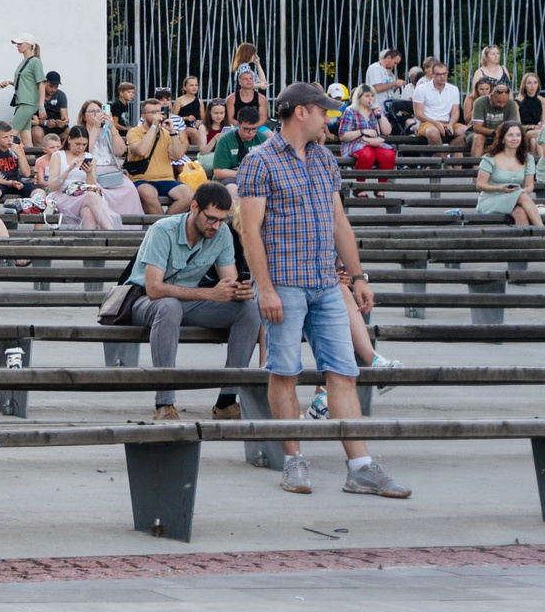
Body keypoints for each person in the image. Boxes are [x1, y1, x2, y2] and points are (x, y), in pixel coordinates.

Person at [237, 82, 407, 498]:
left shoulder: (324, 160)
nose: (330, 118)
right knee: (284, 372)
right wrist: (265, 289)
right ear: (301, 112)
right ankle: (293, 461)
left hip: (327, 284)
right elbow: (250, 234)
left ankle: (361, 466)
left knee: (344, 372)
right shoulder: (259, 161)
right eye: (324, 111)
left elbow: (339, 224)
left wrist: (360, 276)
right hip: (285, 284)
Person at [128, 183, 257, 421]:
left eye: (222, 220)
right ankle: (164, 404)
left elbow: (228, 281)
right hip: (145, 302)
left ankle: (227, 401)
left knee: (248, 310)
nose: (216, 226)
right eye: (211, 219)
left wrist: (241, 290)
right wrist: (210, 294)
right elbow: (154, 289)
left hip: (187, 302)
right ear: (194, 207)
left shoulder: (222, 233)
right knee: (169, 305)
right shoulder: (162, 230)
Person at [476, 122, 544, 226]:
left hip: (515, 197)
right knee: (522, 196)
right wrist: (500, 189)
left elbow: (530, 186)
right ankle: (543, 231)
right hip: (491, 199)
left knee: (520, 212)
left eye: (518, 135)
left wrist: (517, 193)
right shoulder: (490, 158)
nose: (514, 138)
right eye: (510, 135)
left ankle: (525, 242)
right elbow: (480, 185)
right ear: (502, 138)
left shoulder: (528, 158)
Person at [124, 97, 182, 213]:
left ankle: (166, 224)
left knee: (188, 194)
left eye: (159, 112)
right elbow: (141, 151)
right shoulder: (134, 132)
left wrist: (173, 132)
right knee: (147, 194)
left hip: (167, 179)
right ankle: (162, 226)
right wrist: (154, 126)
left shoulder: (166, 133)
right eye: (153, 112)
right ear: (143, 116)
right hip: (142, 179)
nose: (157, 115)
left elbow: (177, 155)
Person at [338, 85, 396, 184]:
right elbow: (343, 135)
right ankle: (360, 186)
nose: (370, 99)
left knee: (389, 154)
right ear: (359, 98)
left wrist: (380, 115)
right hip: (355, 143)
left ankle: (381, 187)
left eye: (372, 96)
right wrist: (362, 131)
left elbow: (387, 132)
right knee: (367, 155)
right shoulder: (350, 111)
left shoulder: (375, 111)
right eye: (367, 96)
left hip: (373, 142)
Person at [409, 58, 463, 145]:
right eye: (439, 74)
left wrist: (451, 124)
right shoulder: (421, 89)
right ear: (432, 74)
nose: (442, 77)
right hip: (426, 123)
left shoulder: (453, 89)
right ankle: (442, 156)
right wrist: (436, 123)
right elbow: (418, 114)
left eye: (444, 74)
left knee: (466, 132)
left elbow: (455, 112)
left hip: (447, 122)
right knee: (433, 132)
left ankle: (447, 152)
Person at [207, 107, 263, 182]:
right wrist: (245, 174)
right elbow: (218, 172)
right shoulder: (225, 140)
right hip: (231, 177)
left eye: (254, 129)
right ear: (238, 125)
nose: (251, 132)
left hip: (257, 178)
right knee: (232, 187)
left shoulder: (263, 139)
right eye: (246, 129)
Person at [6, 34, 43, 133]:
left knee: (11, 134)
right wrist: (10, 83)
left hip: (28, 102)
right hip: (22, 102)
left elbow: (41, 83)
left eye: (20, 44)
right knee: (25, 137)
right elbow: (27, 83)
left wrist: (41, 106)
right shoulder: (24, 61)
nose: (17, 46)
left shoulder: (35, 61)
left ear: (28, 45)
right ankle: (29, 149)